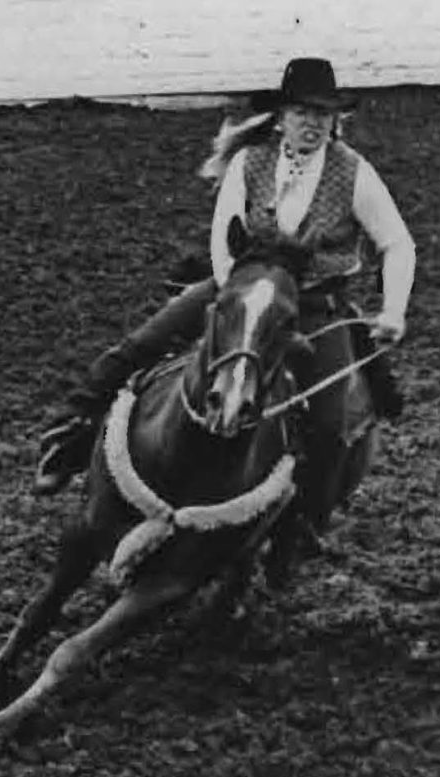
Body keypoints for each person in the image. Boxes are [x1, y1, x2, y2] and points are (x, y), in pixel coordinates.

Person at [34, 57, 416, 502]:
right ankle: (68, 439)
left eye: (321, 114)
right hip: (239, 291)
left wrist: (393, 310)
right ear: (281, 117)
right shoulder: (249, 163)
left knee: (332, 427)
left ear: (335, 120)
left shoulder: (354, 172)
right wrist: (237, 293)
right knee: (140, 346)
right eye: (301, 113)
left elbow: (397, 244)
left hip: (313, 306)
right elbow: (223, 240)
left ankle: (308, 516)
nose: (312, 123)